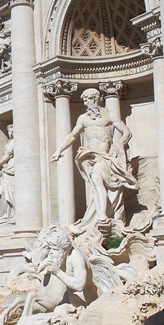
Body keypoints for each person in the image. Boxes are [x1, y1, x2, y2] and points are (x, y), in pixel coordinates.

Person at [51, 88, 136, 231]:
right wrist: (59, 150)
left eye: (87, 99)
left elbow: (127, 132)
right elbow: (72, 136)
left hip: (105, 156)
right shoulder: (83, 118)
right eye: (84, 100)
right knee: (96, 184)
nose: (85, 103)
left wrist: (118, 146)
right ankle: (100, 215)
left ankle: (102, 215)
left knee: (98, 181)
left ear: (95, 98)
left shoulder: (110, 115)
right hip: (89, 157)